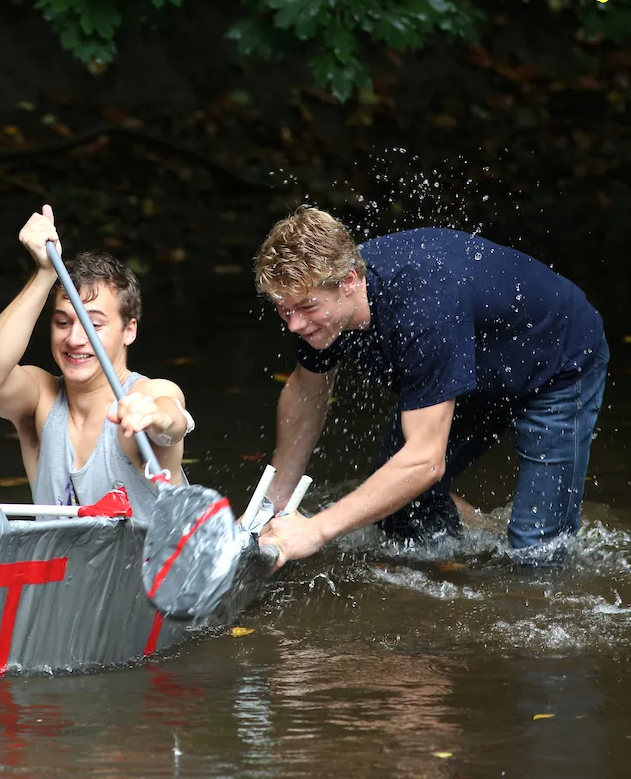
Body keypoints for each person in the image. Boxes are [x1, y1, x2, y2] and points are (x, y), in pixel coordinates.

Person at [253, 206, 608, 568]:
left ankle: (520, 555)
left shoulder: (420, 310)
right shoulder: (312, 315)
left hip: (559, 361)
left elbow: (424, 462)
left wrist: (315, 532)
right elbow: (307, 392)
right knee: (400, 513)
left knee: (535, 555)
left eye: (306, 308)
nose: (294, 324)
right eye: (284, 310)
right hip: (469, 361)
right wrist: (273, 503)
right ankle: (477, 546)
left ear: (348, 281)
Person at [0, 204, 193, 522]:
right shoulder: (40, 398)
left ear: (129, 330)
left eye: (94, 325)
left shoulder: (145, 395)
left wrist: (154, 418)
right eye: (63, 323)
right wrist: (45, 274)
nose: (75, 339)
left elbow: (173, 422)